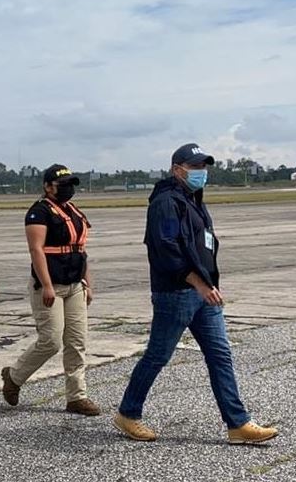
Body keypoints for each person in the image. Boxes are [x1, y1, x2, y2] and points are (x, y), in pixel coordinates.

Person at [113, 143, 278, 445]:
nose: (201, 172)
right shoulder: (165, 202)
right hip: (176, 293)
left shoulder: (192, 199)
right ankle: (128, 413)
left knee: (220, 354)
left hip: (203, 294)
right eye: (195, 167)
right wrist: (198, 283)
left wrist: (209, 283)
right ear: (177, 169)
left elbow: (203, 247)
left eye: (203, 167)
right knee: (158, 356)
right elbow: (166, 251)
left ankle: (238, 424)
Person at [1, 165, 101, 416]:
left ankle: (77, 396)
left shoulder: (73, 212)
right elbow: (36, 250)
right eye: (62, 184)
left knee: (77, 342)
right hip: (50, 286)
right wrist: (46, 285)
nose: (68, 188)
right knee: (51, 341)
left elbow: (79, 249)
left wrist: (87, 282)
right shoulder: (39, 213)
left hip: (75, 284)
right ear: (48, 186)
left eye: (71, 183)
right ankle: (14, 376)